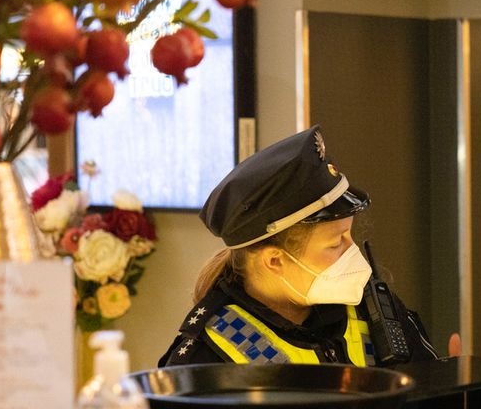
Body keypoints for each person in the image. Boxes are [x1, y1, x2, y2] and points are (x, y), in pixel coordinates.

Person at [159, 125, 452, 368]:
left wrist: (451, 391)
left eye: (349, 235)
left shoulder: (373, 311)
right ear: (274, 261)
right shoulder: (206, 360)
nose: (353, 254)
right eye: (335, 244)